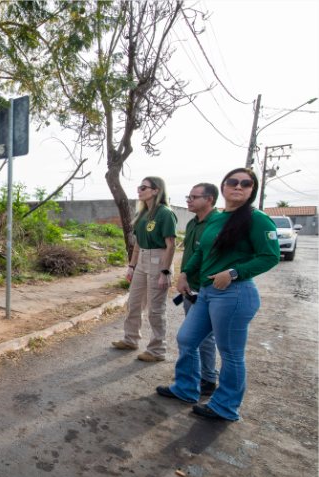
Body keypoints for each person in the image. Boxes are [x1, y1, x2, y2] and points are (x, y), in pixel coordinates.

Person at [156, 167, 280, 421]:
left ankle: (225, 405)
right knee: (188, 339)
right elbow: (202, 251)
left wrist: (234, 273)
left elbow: (270, 257)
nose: (238, 186)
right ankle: (187, 388)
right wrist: (184, 274)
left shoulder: (257, 219)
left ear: (252, 190)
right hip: (207, 293)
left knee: (231, 353)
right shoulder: (217, 218)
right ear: (223, 187)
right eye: (233, 182)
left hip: (234, 294)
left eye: (246, 184)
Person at [112, 177, 177, 362]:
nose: (139, 190)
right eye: (139, 187)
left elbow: (171, 245)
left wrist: (165, 271)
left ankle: (157, 350)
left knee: (155, 309)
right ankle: (130, 339)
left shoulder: (165, 213)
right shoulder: (142, 214)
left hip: (159, 259)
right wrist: (131, 266)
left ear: (156, 191)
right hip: (142, 260)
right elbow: (138, 245)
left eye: (143, 187)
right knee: (134, 303)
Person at [181, 183, 220, 396]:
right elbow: (191, 253)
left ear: (209, 199)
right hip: (191, 286)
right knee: (191, 337)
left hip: (207, 288)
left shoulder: (217, 224)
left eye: (194, 197)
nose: (189, 200)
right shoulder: (193, 223)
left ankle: (207, 378)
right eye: (189, 196)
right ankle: (198, 376)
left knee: (204, 337)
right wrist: (183, 275)